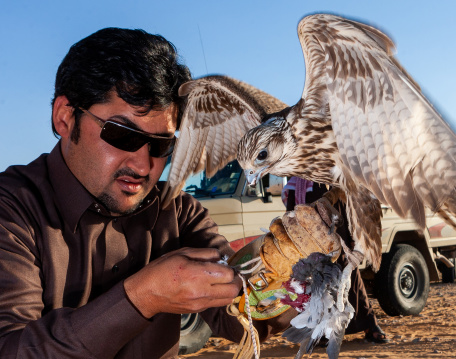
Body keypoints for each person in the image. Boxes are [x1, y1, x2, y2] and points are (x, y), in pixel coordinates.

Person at [0, 28, 293, 358]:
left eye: (161, 145)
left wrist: (300, 265)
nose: (143, 165)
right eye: (123, 135)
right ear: (65, 118)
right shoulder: (10, 211)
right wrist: (143, 296)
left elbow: (242, 318)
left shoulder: (178, 211)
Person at [282, 177, 390, 344]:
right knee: (317, 285)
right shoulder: (295, 182)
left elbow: (345, 205)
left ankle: (370, 325)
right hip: (309, 240)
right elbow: (290, 214)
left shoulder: (329, 172)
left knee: (350, 277)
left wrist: (353, 235)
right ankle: (322, 333)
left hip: (338, 234)